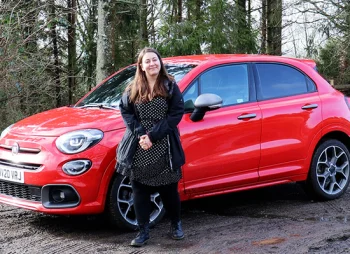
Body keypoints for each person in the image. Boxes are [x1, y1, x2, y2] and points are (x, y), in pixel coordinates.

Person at [116, 47, 186, 247]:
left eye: (154, 60)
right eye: (147, 61)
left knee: (169, 190)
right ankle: (143, 231)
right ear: (141, 65)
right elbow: (126, 111)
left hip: (164, 142)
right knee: (139, 190)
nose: (152, 64)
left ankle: (176, 225)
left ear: (160, 62)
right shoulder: (133, 87)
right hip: (139, 144)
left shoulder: (170, 85)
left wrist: (153, 136)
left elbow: (176, 113)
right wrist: (141, 134)